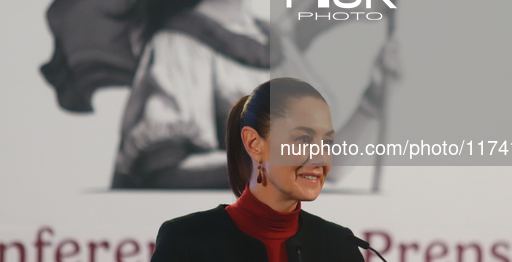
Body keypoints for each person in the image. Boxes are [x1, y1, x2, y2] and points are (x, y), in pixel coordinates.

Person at [111, 0, 394, 189]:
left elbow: (325, 169)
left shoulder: (274, 44)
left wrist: (373, 99)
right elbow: (164, 170)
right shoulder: (179, 43)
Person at [150, 78, 366, 261]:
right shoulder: (184, 241)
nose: (320, 157)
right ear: (254, 143)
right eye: (304, 139)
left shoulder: (341, 247)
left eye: (327, 142)